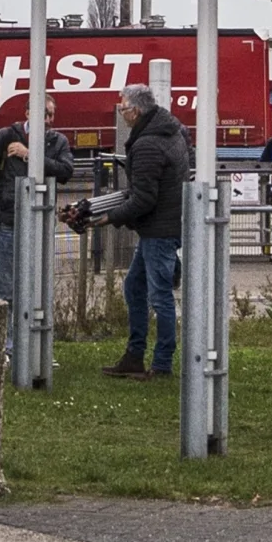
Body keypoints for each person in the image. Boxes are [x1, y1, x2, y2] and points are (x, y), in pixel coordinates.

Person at [87, 85, 189, 380]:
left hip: (158, 230)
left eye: (123, 109)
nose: (122, 114)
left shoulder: (146, 145)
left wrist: (109, 218)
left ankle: (161, 363)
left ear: (136, 110)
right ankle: (134, 355)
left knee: (159, 296)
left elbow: (143, 198)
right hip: (164, 227)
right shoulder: (173, 132)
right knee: (135, 287)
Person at [0, 114, 75, 321]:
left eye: (52, 113)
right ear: (29, 112)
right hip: (9, 221)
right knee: (6, 287)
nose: (49, 119)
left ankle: (30, 340)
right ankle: (7, 344)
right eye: (45, 112)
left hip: (41, 223)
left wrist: (29, 155)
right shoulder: (5, 137)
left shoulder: (57, 141)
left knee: (38, 285)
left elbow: (66, 172)